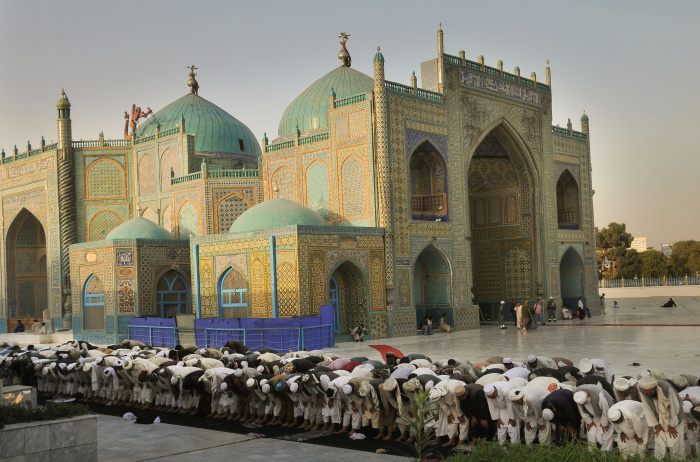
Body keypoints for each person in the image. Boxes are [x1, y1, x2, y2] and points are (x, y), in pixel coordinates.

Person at [637, 376, 685, 459]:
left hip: (675, 416)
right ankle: (660, 458)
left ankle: (677, 459)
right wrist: (655, 424)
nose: (648, 394)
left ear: (655, 387)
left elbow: (674, 408)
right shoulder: (642, 389)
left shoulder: (667, 389)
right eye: (647, 393)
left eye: (650, 392)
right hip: (658, 414)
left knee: (674, 439)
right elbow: (647, 407)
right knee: (660, 439)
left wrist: (672, 425)